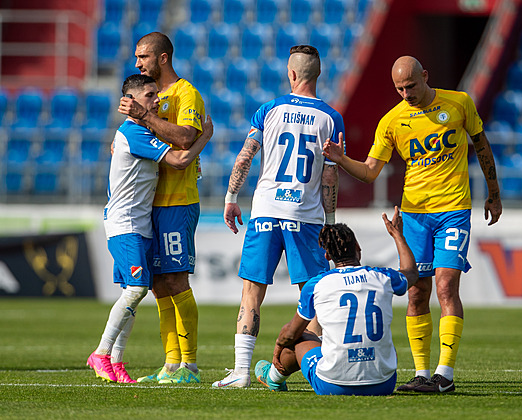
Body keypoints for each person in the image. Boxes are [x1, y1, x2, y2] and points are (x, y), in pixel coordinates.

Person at [322, 56, 502, 393]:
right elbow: (371, 171)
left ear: (425, 76)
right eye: (399, 89)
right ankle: (422, 374)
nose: (406, 93)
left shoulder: (459, 103)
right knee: (417, 294)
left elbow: (481, 145)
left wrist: (494, 193)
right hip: (414, 216)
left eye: (411, 86)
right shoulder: (391, 121)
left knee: (447, 285)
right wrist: (342, 158)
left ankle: (445, 374)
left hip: (454, 210)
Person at [213, 45, 344, 388]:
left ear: (292, 74)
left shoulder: (269, 110)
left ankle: (241, 372)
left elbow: (244, 158)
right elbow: (330, 176)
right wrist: (330, 222)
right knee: (315, 294)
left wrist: (230, 198)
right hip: (307, 216)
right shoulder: (331, 117)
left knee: (251, 292)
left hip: (266, 212)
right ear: (317, 75)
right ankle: (318, 364)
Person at [87, 74, 212, 383]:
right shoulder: (134, 133)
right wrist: (205, 136)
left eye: (157, 94)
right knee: (137, 288)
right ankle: (101, 353)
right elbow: (181, 159)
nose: (156, 100)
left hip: (140, 224)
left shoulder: (135, 133)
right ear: (132, 103)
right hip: (125, 223)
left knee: (134, 291)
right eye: (149, 95)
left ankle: (116, 363)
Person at [118, 32, 206, 384]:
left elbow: (185, 137)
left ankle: (191, 365)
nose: (138, 64)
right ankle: (171, 364)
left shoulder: (187, 93)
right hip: (148, 204)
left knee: (176, 280)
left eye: (143, 57)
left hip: (177, 201)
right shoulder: (149, 96)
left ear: (162, 58)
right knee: (157, 284)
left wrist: (144, 115)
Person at [255, 208, 419, 395]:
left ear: (327, 256)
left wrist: (278, 345)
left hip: (333, 385)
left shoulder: (317, 284)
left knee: (300, 334)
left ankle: (274, 378)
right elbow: (412, 273)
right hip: (383, 384)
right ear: (358, 247)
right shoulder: (382, 276)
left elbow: (291, 334)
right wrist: (398, 235)